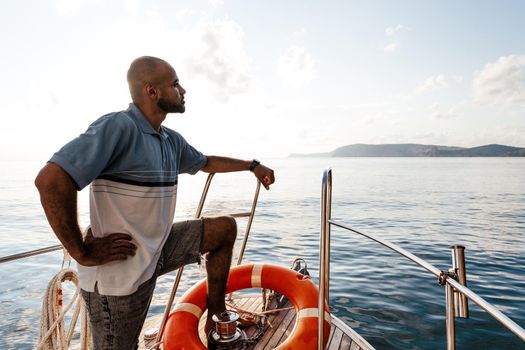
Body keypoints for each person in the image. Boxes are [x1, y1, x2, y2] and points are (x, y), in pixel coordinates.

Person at [34, 56, 275, 349]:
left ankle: (216, 316)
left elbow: (206, 162)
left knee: (224, 230)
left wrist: (253, 165)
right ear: (152, 92)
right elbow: (51, 180)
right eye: (175, 84)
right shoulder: (118, 128)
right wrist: (81, 252)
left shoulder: (169, 140)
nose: (183, 90)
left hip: (157, 248)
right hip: (119, 275)